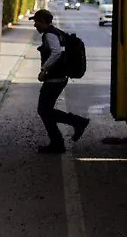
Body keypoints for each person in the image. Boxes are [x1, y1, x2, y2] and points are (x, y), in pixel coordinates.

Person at [33, 9, 89, 154]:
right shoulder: (56, 32)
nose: (35, 25)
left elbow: (56, 52)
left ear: (44, 22)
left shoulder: (50, 35)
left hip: (54, 79)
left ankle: (76, 123)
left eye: (37, 22)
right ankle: (58, 142)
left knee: (44, 110)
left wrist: (44, 69)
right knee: (45, 110)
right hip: (59, 77)